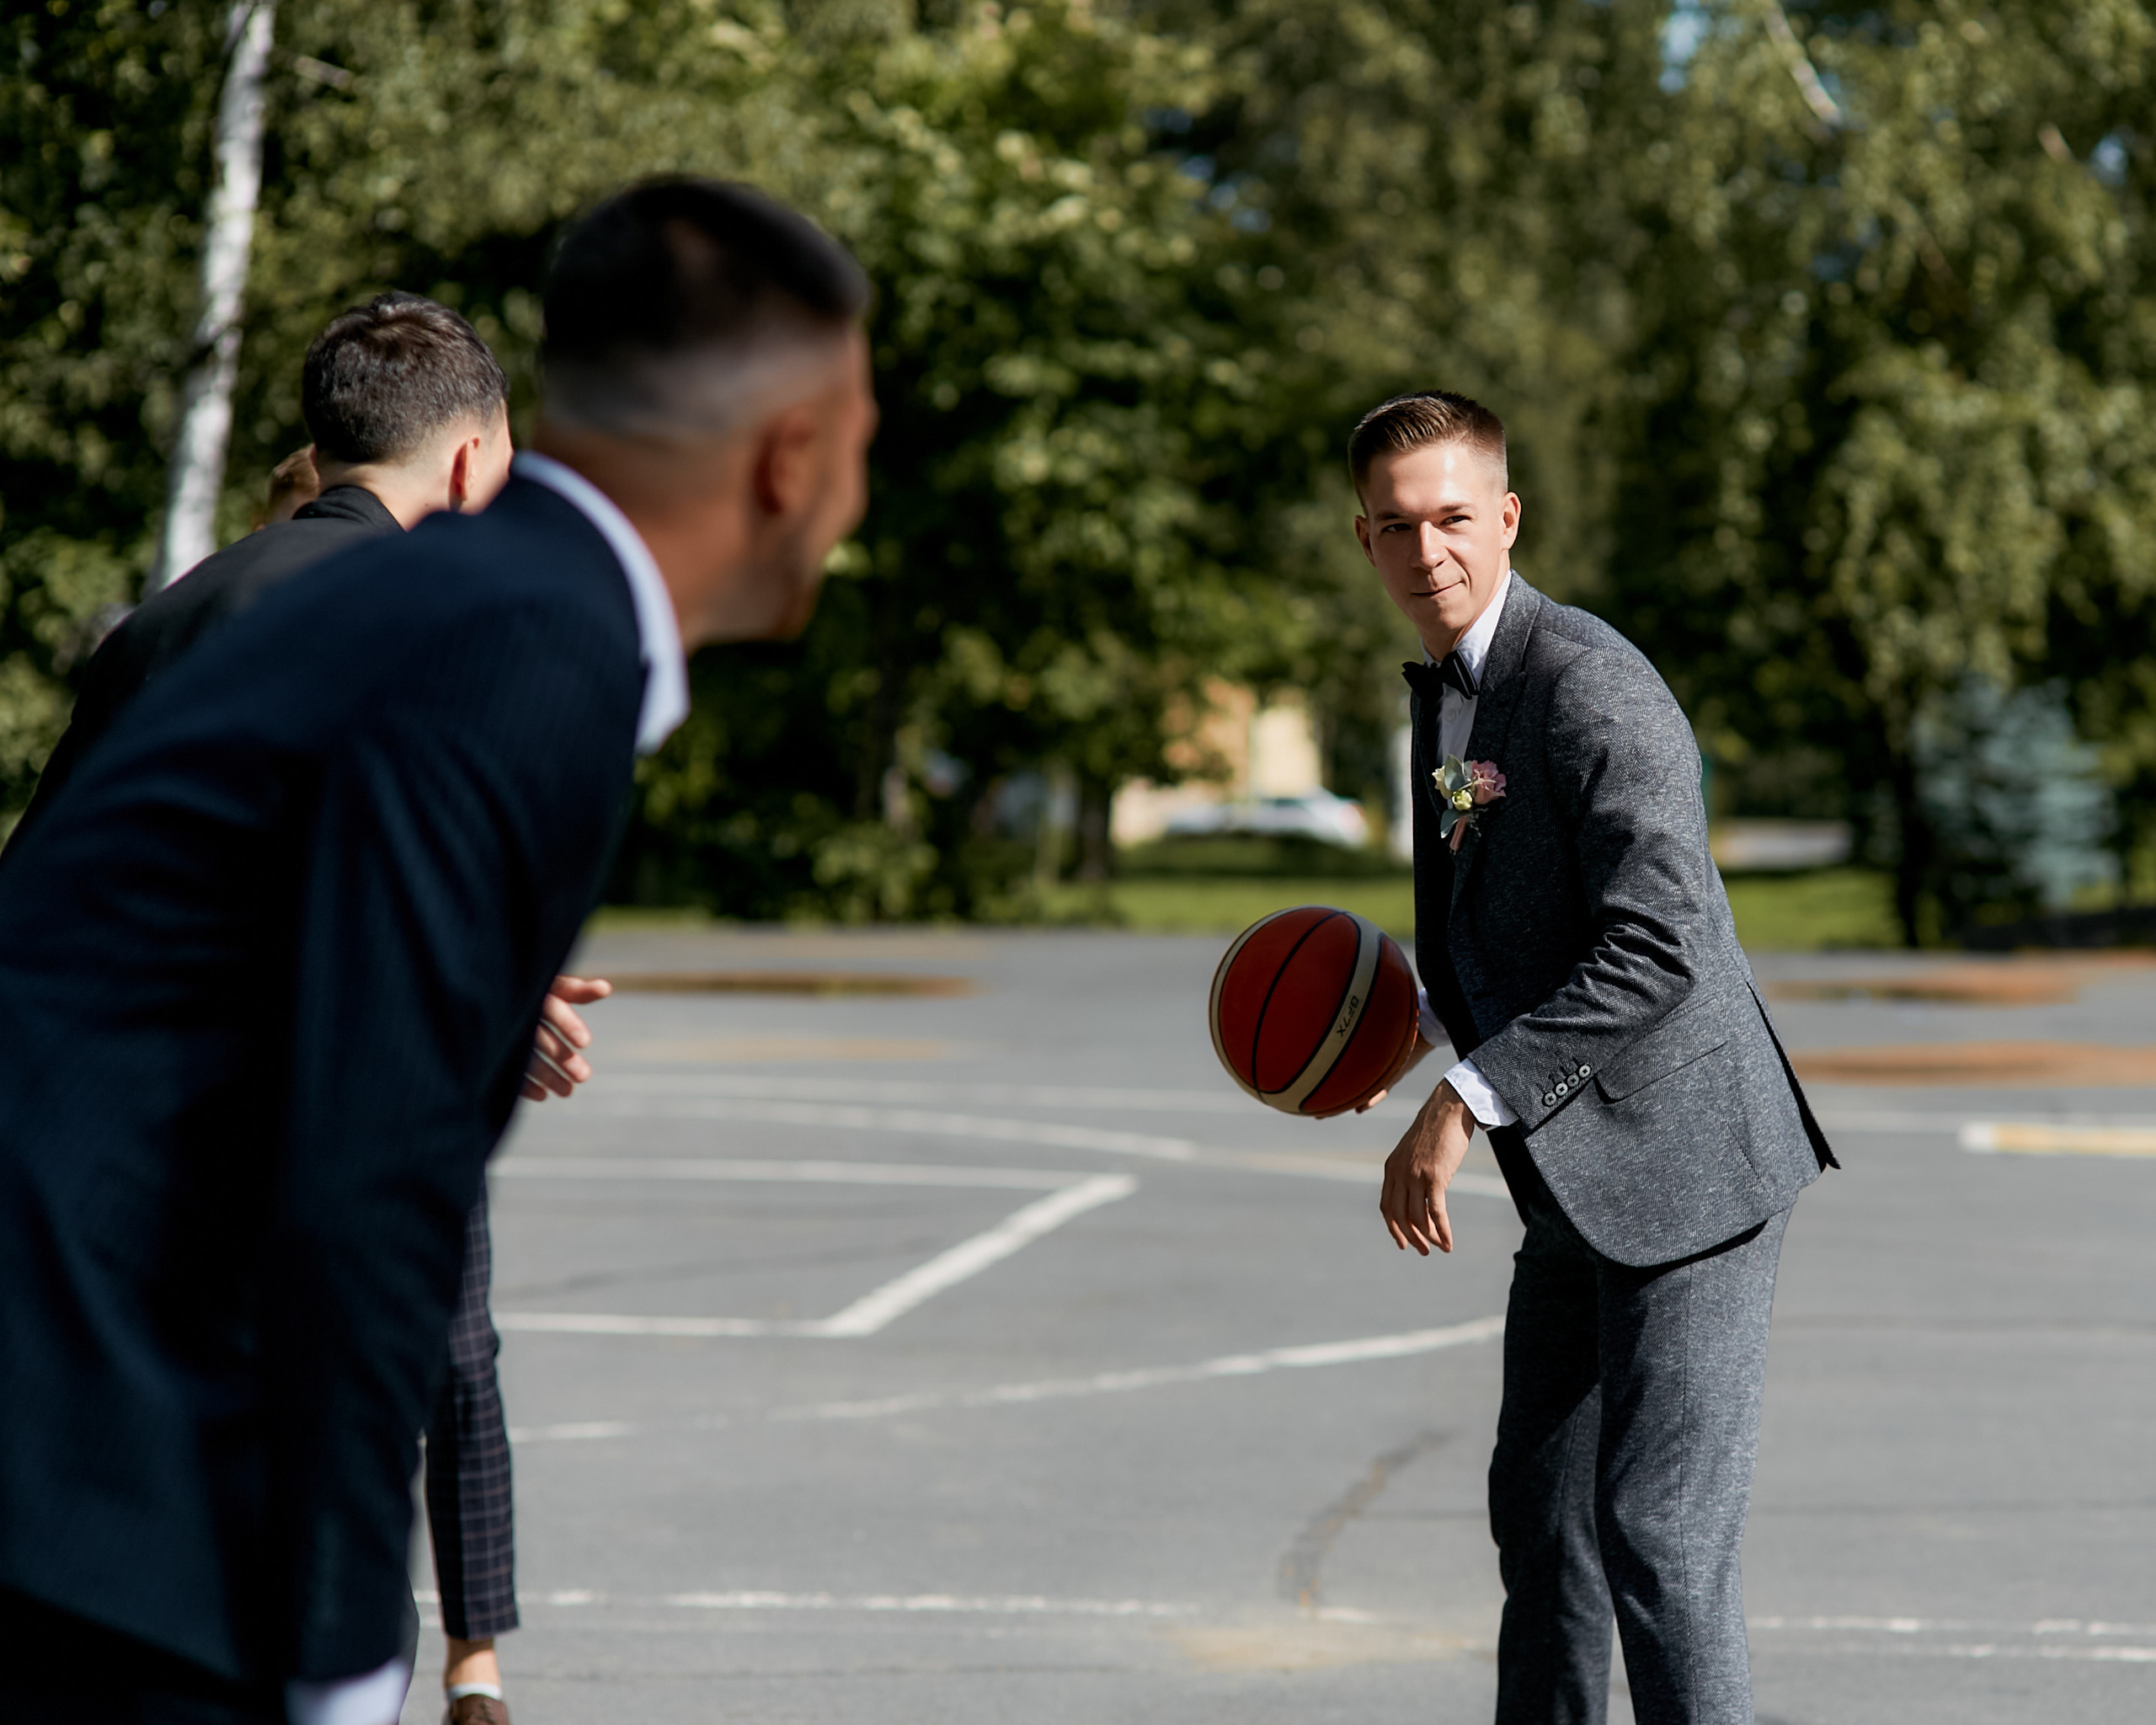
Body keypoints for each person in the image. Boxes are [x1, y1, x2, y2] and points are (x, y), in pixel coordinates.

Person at [0, 176, 875, 1725]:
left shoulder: (464, 603)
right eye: (863, 444)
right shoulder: (534, 645)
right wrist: (336, 1647)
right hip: (89, 1456)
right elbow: (366, 1176)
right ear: (790, 454)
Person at [1353, 391, 1834, 1725]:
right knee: (1542, 1526)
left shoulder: (1589, 684)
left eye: (1454, 518)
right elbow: (1512, 917)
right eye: (1397, 527)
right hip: (1575, 1177)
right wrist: (1417, 1024)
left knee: (1660, 1542)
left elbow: (1664, 942)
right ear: (1365, 542)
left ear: (1507, 517)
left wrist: (1463, 1096)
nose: (1429, 551)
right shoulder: (1449, 694)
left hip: (1692, 1170)